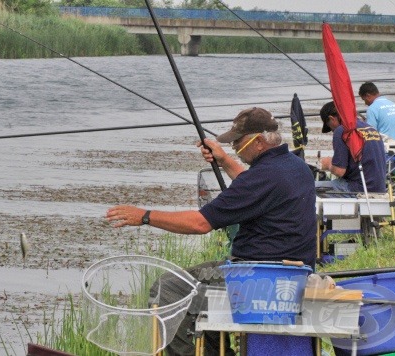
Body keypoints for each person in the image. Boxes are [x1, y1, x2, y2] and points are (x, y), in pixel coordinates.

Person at [107, 107, 317, 356]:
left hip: (259, 277)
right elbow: (252, 186)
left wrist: (144, 216)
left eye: (237, 143)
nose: (234, 148)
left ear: (258, 141)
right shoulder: (294, 166)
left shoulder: (263, 177)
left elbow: (200, 223)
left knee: (169, 289)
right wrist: (225, 161)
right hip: (292, 270)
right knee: (194, 288)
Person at [317, 101, 386, 194]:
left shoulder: (342, 130)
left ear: (332, 118)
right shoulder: (371, 129)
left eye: (330, 127)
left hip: (358, 189)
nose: (332, 131)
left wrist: (328, 164)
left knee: (310, 188)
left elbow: (339, 171)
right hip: (379, 189)